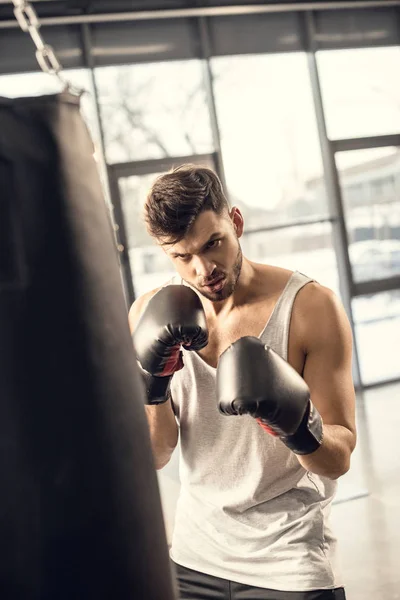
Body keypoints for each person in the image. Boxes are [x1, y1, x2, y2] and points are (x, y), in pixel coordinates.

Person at [129, 165, 356, 600]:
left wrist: (296, 426)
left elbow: (338, 459)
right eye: (182, 256)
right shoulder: (147, 315)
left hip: (289, 561)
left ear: (235, 221)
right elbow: (157, 454)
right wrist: (154, 386)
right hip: (195, 556)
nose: (203, 269)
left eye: (213, 243)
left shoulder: (311, 308)